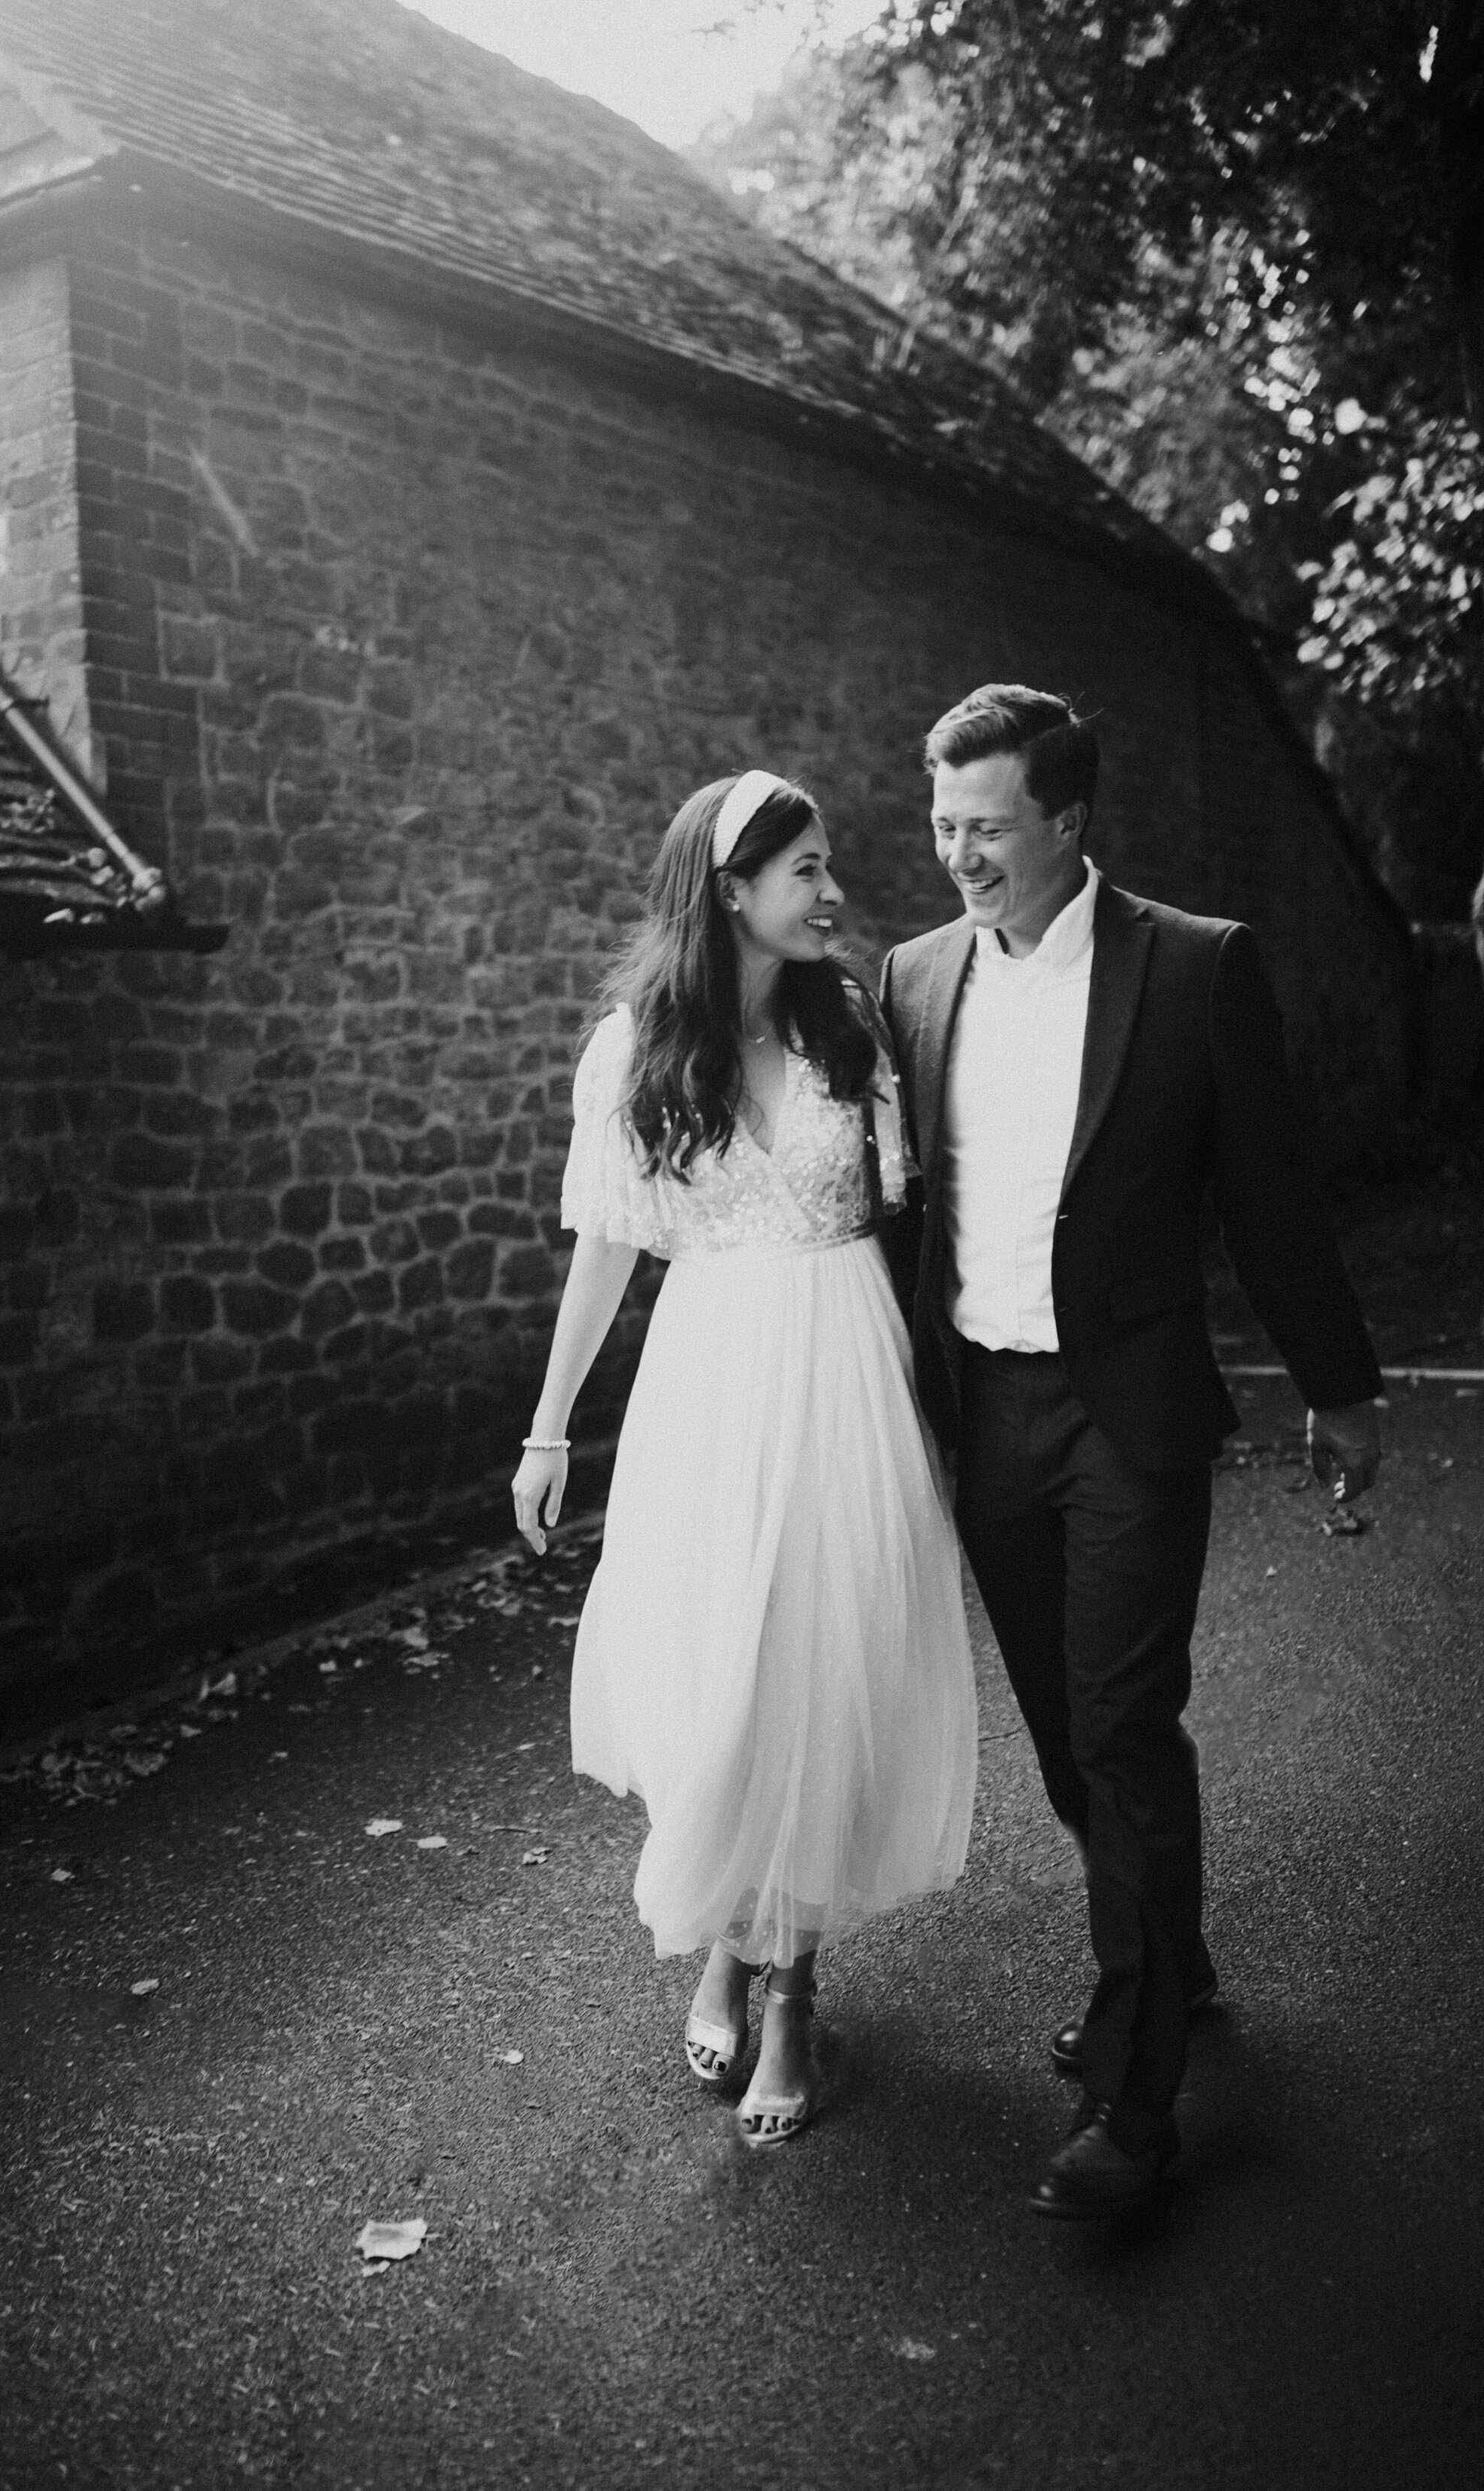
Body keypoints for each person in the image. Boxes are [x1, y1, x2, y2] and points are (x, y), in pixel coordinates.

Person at [881, 685, 1383, 2219]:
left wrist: (1338, 1386)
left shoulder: (1189, 967)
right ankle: (1166, 1948)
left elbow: (1268, 1195)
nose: (957, 853)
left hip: (1129, 1412)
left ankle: (1135, 2100)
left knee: (1118, 1727)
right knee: (1058, 1734)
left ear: (1068, 823)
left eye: (987, 827)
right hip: (984, 1412)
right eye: (942, 824)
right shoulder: (908, 979)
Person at [513, 770, 978, 2150]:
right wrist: (549, 1430)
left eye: (830, 867)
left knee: (818, 1673)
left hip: (844, 1377)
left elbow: (914, 1219)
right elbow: (605, 1247)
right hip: (713, 1387)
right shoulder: (637, 1051)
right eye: (808, 871)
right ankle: (729, 1928)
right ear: (731, 892)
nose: (835, 892)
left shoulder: (859, 1034)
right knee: (725, 1677)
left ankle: (790, 1996)